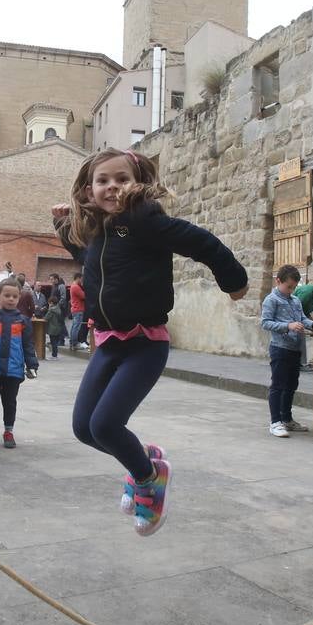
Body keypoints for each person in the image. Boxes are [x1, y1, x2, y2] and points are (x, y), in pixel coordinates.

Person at [53, 148, 247, 536]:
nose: (112, 187)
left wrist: (234, 281)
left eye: (121, 179)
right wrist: (61, 226)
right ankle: (144, 461)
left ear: (138, 183)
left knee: (106, 425)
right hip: (109, 342)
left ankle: (149, 479)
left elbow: (203, 243)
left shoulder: (144, 223)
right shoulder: (99, 231)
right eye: (102, 180)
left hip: (144, 343)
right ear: (88, 190)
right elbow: (91, 257)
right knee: (83, 429)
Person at [261, 266, 313, 438]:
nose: (291, 290)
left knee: (291, 385)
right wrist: (287, 326)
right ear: (278, 281)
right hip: (280, 348)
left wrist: (312, 324)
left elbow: (302, 318)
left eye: (294, 287)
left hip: (296, 349)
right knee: (278, 385)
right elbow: (265, 322)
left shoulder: (295, 300)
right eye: (288, 287)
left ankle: (287, 419)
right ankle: (275, 422)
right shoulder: (271, 300)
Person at [0, 278, 39, 448]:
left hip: (14, 370)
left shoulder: (23, 321)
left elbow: (28, 345)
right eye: (7, 295)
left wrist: (32, 365)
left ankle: (8, 431)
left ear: (19, 298)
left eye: (14, 296)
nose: (11, 299)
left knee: (10, 402)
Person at [44, 293, 67, 358]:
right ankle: (55, 354)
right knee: (55, 343)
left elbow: (46, 318)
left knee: (53, 342)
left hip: (52, 328)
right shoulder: (58, 309)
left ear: (51, 303)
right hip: (58, 328)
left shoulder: (51, 310)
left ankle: (54, 355)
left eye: (49, 303)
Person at [68, 272, 87, 350]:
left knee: (74, 327)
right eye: (81, 279)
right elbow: (84, 296)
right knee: (76, 327)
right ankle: (74, 344)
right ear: (78, 278)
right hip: (78, 309)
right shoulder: (76, 287)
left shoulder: (73, 286)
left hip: (75, 309)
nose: (82, 281)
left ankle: (72, 343)